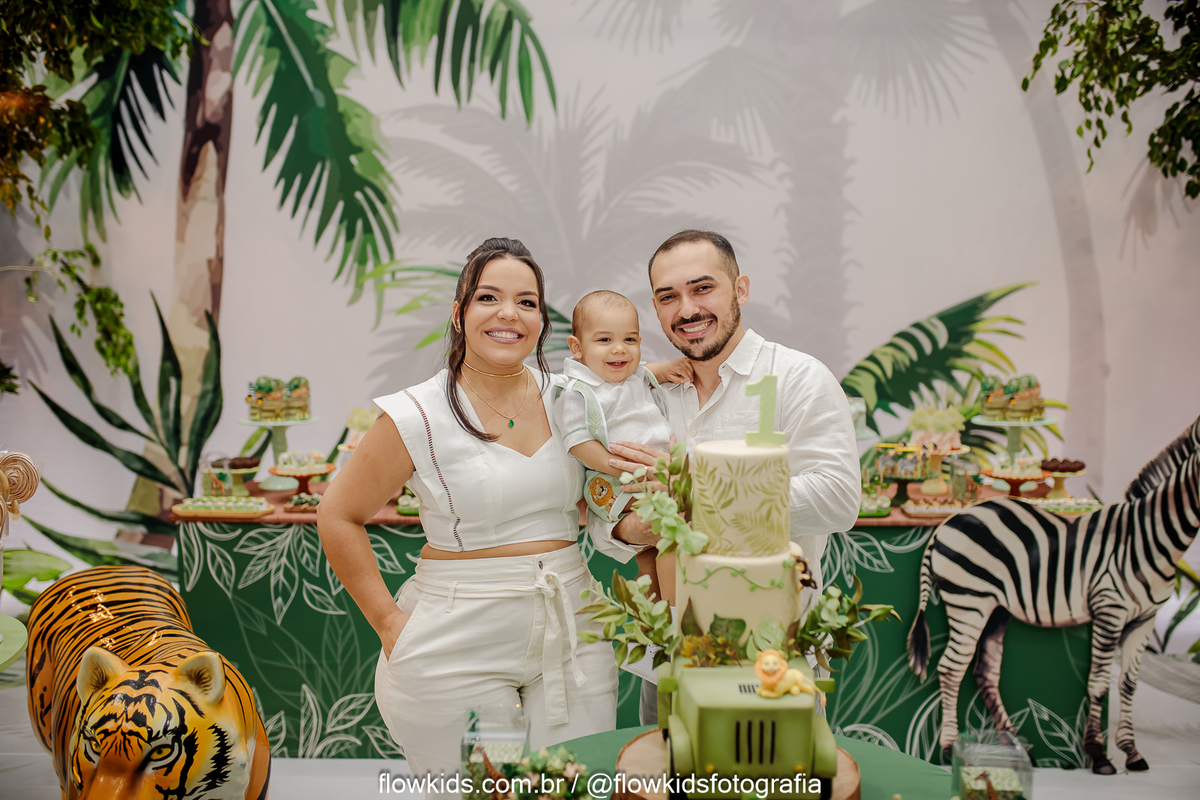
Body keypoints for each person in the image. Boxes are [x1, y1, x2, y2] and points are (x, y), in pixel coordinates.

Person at [317, 238, 618, 794]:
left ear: (542, 321)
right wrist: (390, 625)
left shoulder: (572, 399)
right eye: (488, 297)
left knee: (573, 788)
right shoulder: (417, 413)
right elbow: (338, 515)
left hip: (573, 627)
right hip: (458, 638)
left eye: (527, 302)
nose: (509, 314)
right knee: (483, 790)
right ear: (459, 313)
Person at [585, 229, 860, 721]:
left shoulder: (798, 378)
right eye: (668, 297)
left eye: (703, 288)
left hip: (771, 656)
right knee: (663, 766)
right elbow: (603, 508)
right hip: (665, 656)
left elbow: (838, 500)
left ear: (741, 289)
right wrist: (630, 528)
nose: (687, 309)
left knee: (775, 770)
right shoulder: (639, 395)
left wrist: (696, 489)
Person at [553, 290, 690, 601]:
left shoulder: (633, 376)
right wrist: (621, 467)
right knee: (671, 526)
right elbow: (579, 443)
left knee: (651, 551)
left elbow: (648, 372)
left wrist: (667, 369)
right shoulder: (579, 393)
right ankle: (674, 612)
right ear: (577, 347)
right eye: (604, 340)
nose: (619, 349)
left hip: (651, 475)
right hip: (616, 481)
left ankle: (651, 613)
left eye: (630, 340)